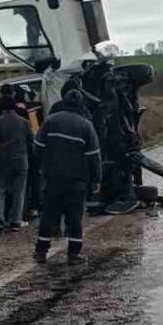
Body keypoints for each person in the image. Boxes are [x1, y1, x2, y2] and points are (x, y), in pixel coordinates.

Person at [33, 89, 100, 266]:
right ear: (80, 105)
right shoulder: (86, 125)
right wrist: (96, 179)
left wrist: (42, 167)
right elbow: (94, 156)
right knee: (75, 218)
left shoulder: (50, 120)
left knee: (48, 215)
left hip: (53, 177)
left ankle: (41, 251)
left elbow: (38, 146)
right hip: (77, 180)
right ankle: (73, 254)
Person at [0, 96, 34, 233]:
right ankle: (16, 220)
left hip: (1, 159)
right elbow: (30, 141)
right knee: (19, 191)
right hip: (21, 159)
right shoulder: (24, 122)